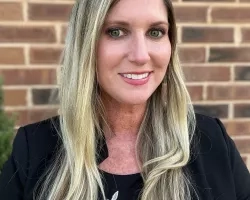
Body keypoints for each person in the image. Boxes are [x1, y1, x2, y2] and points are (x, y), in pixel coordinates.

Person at [0, 0, 250, 199]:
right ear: (86, 44)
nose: (141, 56)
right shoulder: (34, 148)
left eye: (155, 32)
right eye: (116, 32)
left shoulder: (212, 141)